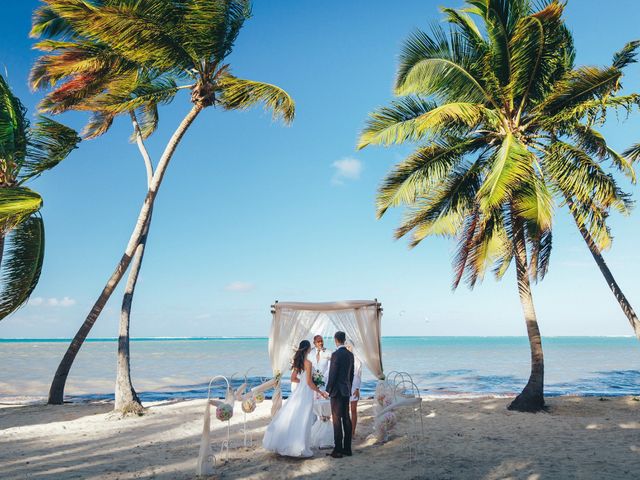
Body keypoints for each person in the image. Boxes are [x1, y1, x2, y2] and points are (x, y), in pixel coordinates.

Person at [263, 340, 328, 457]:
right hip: (306, 393)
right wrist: (320, 391)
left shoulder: (298, 362)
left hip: (299, 392)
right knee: (304, 417)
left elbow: (293, 378)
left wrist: (302, 381)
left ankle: (289, 442)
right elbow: (309, 382)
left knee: (295, 415)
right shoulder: (308, 363)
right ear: (307, 349)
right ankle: (300, 447)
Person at [325, 331, 354, 458]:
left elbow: (332, 374)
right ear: (344, 340)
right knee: (346, 418)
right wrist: (349, 387)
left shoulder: (335, 354)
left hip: (336, 391)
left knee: (336, 420)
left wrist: (328, 389)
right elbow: (351, 374)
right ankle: (347, 448)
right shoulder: (350, 355)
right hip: (346, 390)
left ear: (336, 340)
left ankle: (338, 449)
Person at [345, 340, 362, 437]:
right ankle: (347, 430)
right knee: (346, 410)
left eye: (349, 346)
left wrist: (357, 388)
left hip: (354, 386)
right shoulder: (344, 358)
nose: (348, 348)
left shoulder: (357, 359)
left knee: (353, 409)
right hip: (345, 386)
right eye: (346, 347)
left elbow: (359, 375)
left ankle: (353, 431)